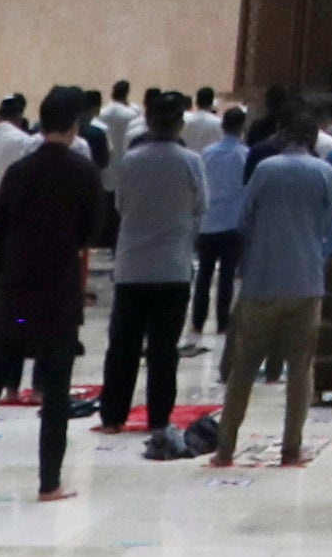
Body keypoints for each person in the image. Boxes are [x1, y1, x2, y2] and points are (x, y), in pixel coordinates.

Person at [0, 86, 108, 501]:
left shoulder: (18, 172)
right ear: (75, 124)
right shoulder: (83, 173)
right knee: (57, 390)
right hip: (57, 298)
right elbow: (93, 232)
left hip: (15, 298)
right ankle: (48, 482)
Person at [218, 108, 332, 472]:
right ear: (312, 138)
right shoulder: (324, 171)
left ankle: (224, 448)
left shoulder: (265, 169)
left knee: (244, 368)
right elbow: (329, 223)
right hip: (306, 280)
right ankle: (292, 448)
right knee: (300, 370)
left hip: (261, 279)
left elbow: (244, 219)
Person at [102, 91, 206, 444]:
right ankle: (159, 418)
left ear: (147, 120)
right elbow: (200, 205)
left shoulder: (131, 160)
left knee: (123, 346)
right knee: (164, 350)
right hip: (173, 267)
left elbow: (120, 204)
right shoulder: (191, 162)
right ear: (180, 123)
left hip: (133, 265)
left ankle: (113, 415)